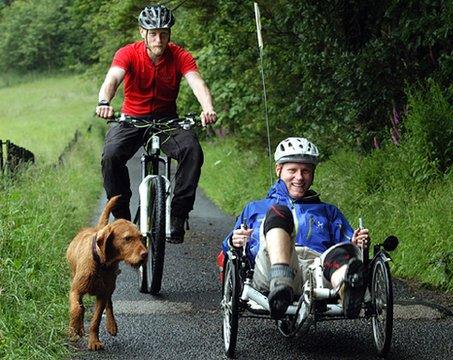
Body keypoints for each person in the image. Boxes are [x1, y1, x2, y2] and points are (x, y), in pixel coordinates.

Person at [95, 4, 217, 244]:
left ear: (169, 34)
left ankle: (178, 215)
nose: (158, 39)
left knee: (192, 150)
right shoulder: (127, 53)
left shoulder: (180, 56)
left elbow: (197, 83)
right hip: (131, 120)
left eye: (163, 33)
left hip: (167, 121)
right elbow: (113, 78)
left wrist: (207, 108)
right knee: (110, 155)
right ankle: (122, 219)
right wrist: (104, 101)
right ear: (143, 33)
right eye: (153, 33)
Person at [221, 137, 371, 319]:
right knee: (278, 213)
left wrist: (357, 243)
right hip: (270, 271)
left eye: (306, 171)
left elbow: (347, 247)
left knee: (339, 254)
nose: (299, 177)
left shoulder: (328, 211)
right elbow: (227, 249)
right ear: (279, 170)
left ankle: (347, 292)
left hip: (318, 272)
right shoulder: (255, 208)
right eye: (292, 170)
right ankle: (282, 283)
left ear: (313, 173)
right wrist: (233, 241)